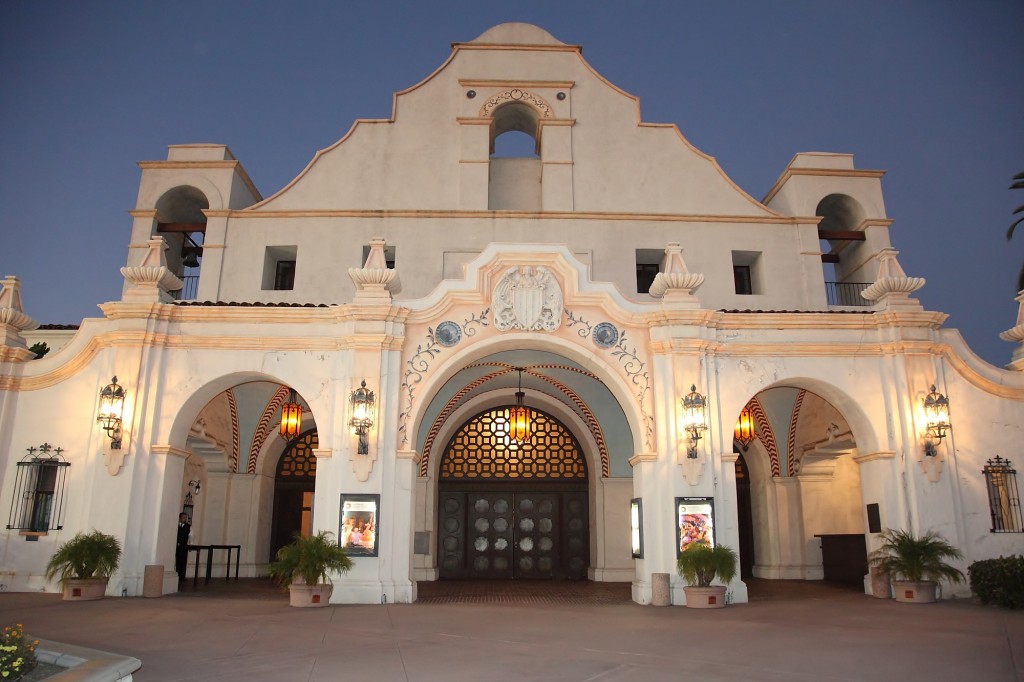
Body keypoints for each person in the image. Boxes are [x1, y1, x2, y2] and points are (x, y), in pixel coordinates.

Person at [175, 512, 191, 580]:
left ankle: (182, 576)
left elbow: (190, 536)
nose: (185, 519)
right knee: (177, 561)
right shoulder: (176, 525)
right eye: (183, 517)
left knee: (183, 561)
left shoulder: (188, 526)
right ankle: (177, 574)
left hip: (184, 546)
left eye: (185, 517)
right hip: (177, 546)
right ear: (180, 518)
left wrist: (190, 544)